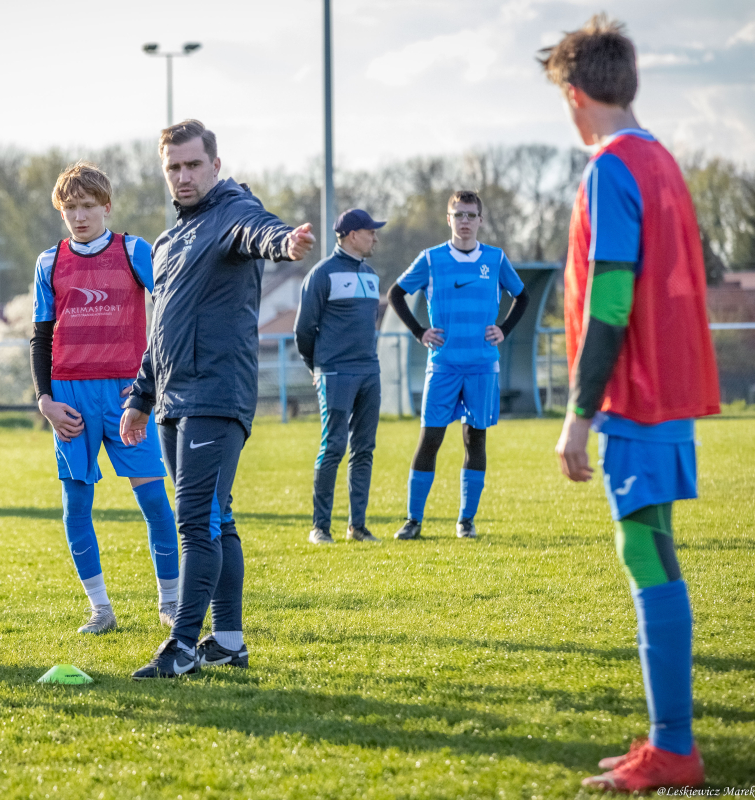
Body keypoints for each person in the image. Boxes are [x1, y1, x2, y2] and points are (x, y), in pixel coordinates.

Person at [543, 15, 718, 792]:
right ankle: (668, 738)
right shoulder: (664, 161)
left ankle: (674, 747)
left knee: (645, 553)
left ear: (574, 96)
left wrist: (578, 416)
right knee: (654, 548)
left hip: (638, 399)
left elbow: (611, 303)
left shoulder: (611, 169)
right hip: (666, 395)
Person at [120, 120, 315, 679]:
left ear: (215, 165)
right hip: (172, 400)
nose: (183, 176)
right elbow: (163, 328)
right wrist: (140, 396)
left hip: (216, 393)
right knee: (216, 519)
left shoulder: (233, 211)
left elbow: (261, 232)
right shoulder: (168, 243)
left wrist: (286, 242)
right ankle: (227, 641)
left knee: (195, 522)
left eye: (193, 165)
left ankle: (181, 646)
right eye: (173, 168)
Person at [30, 161, 179, 634]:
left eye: (88, 206)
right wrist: (45, 400)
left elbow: (169, 309)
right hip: (69, 397)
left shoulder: (134, 250)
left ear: (107, 206)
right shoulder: (49, 262)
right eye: (70, 208)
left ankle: (171, 603)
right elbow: (41, 336)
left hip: (126, 395)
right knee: (76, 506)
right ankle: (101, 609)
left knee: (154, 501)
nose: (79, 216)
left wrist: (153, 382)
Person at [387, 190, 529, 540]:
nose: (465, 221)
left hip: (482, 366)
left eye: (471, 215)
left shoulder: (495, 259)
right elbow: (395, 293)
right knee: (430, 439)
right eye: (459, 215)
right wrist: (419, 331)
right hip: (443, 366)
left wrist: (504, 329)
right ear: (448, 219)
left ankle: (466, 520)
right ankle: (413, 520)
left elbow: (522, 296)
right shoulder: (431, 259)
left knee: (475, 440)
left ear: (480, 220)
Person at [294, 208, 386, 545]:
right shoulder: (322, 274)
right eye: (370, 232)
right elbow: (303, 329)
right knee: (333, 446)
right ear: (352, 235)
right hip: (334, 372)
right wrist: (317, 367)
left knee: (364, 449)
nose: (375, 238)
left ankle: (357, 527)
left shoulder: (372, 275)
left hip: (369, 371)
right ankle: (320, 528)